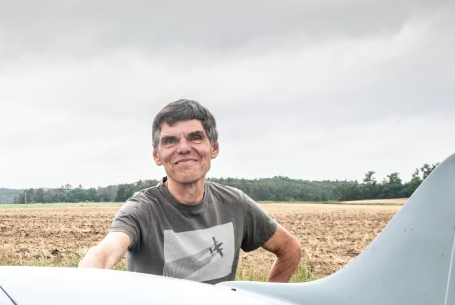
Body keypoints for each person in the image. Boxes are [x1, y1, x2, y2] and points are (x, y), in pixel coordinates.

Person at [79, 99, 301, 284]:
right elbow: (105, 254)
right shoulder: (142, 210)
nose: (183, 148)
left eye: (195, 137)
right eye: (170, 141)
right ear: (157, 156)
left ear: (214, 148)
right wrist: (83, 281)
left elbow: (290, 248)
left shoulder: (235, 204)